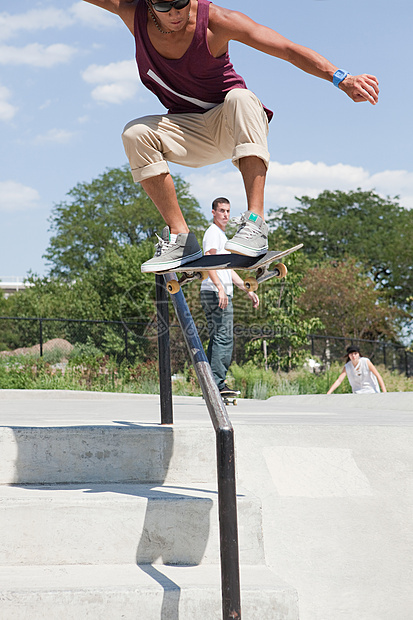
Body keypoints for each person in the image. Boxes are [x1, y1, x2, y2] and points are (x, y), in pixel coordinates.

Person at [83, 0, 379, 272]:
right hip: (189, 133)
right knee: (135, 133)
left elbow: (286, 48)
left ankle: (255, 222)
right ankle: (180, 237)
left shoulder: (216, 21)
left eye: (180, 3)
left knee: (240, 97)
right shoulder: (132, 13)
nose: (174, 13)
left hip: (234, 124)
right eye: (164, 5)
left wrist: (341, 78)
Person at [200, 197, 259, 393]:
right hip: (216, 292)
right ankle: (217, 385)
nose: (225, 214)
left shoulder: (222, 237)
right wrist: (220, 288)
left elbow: (228, 270)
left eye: (227, 211)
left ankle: (210, 384)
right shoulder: (213, 233)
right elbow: (208, 260)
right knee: (224, 338)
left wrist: (247, 289)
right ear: (213, 212)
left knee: (217, 338)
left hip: (216, 291)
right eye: (221, 211)